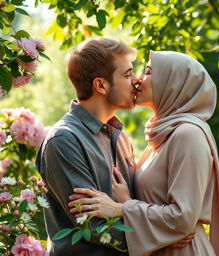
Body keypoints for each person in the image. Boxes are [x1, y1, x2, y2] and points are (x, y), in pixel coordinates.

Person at [36, 39, 193, 256]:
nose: (137, 81)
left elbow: (131, 205)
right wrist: (161, 239)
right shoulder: (63, 140)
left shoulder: (120, 137)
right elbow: (91, 225)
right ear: (101, 85)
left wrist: (162, 225)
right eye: (128, 74)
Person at [68, 51, 219, 256]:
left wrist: (122, 208)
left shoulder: (188, 135)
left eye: (147, 73)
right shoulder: (162, 135)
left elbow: (182, 218)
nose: (137, 81)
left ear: (172, 83)